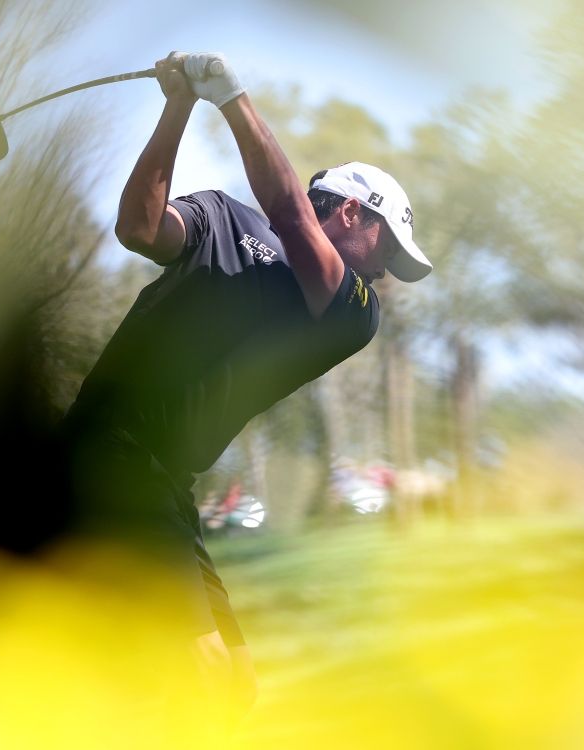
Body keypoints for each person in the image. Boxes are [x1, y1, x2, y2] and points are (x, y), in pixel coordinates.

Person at [58, 51, 432, 727]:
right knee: (197, 675)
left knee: (233, 688)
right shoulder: (223, 218)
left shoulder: (353, 310)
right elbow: (140, 229)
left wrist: (229, 95)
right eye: (387, 249)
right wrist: (179, 104)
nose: (384, 273)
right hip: (110, 452)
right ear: (351, 213)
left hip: (163, 478)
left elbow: (292, 216)